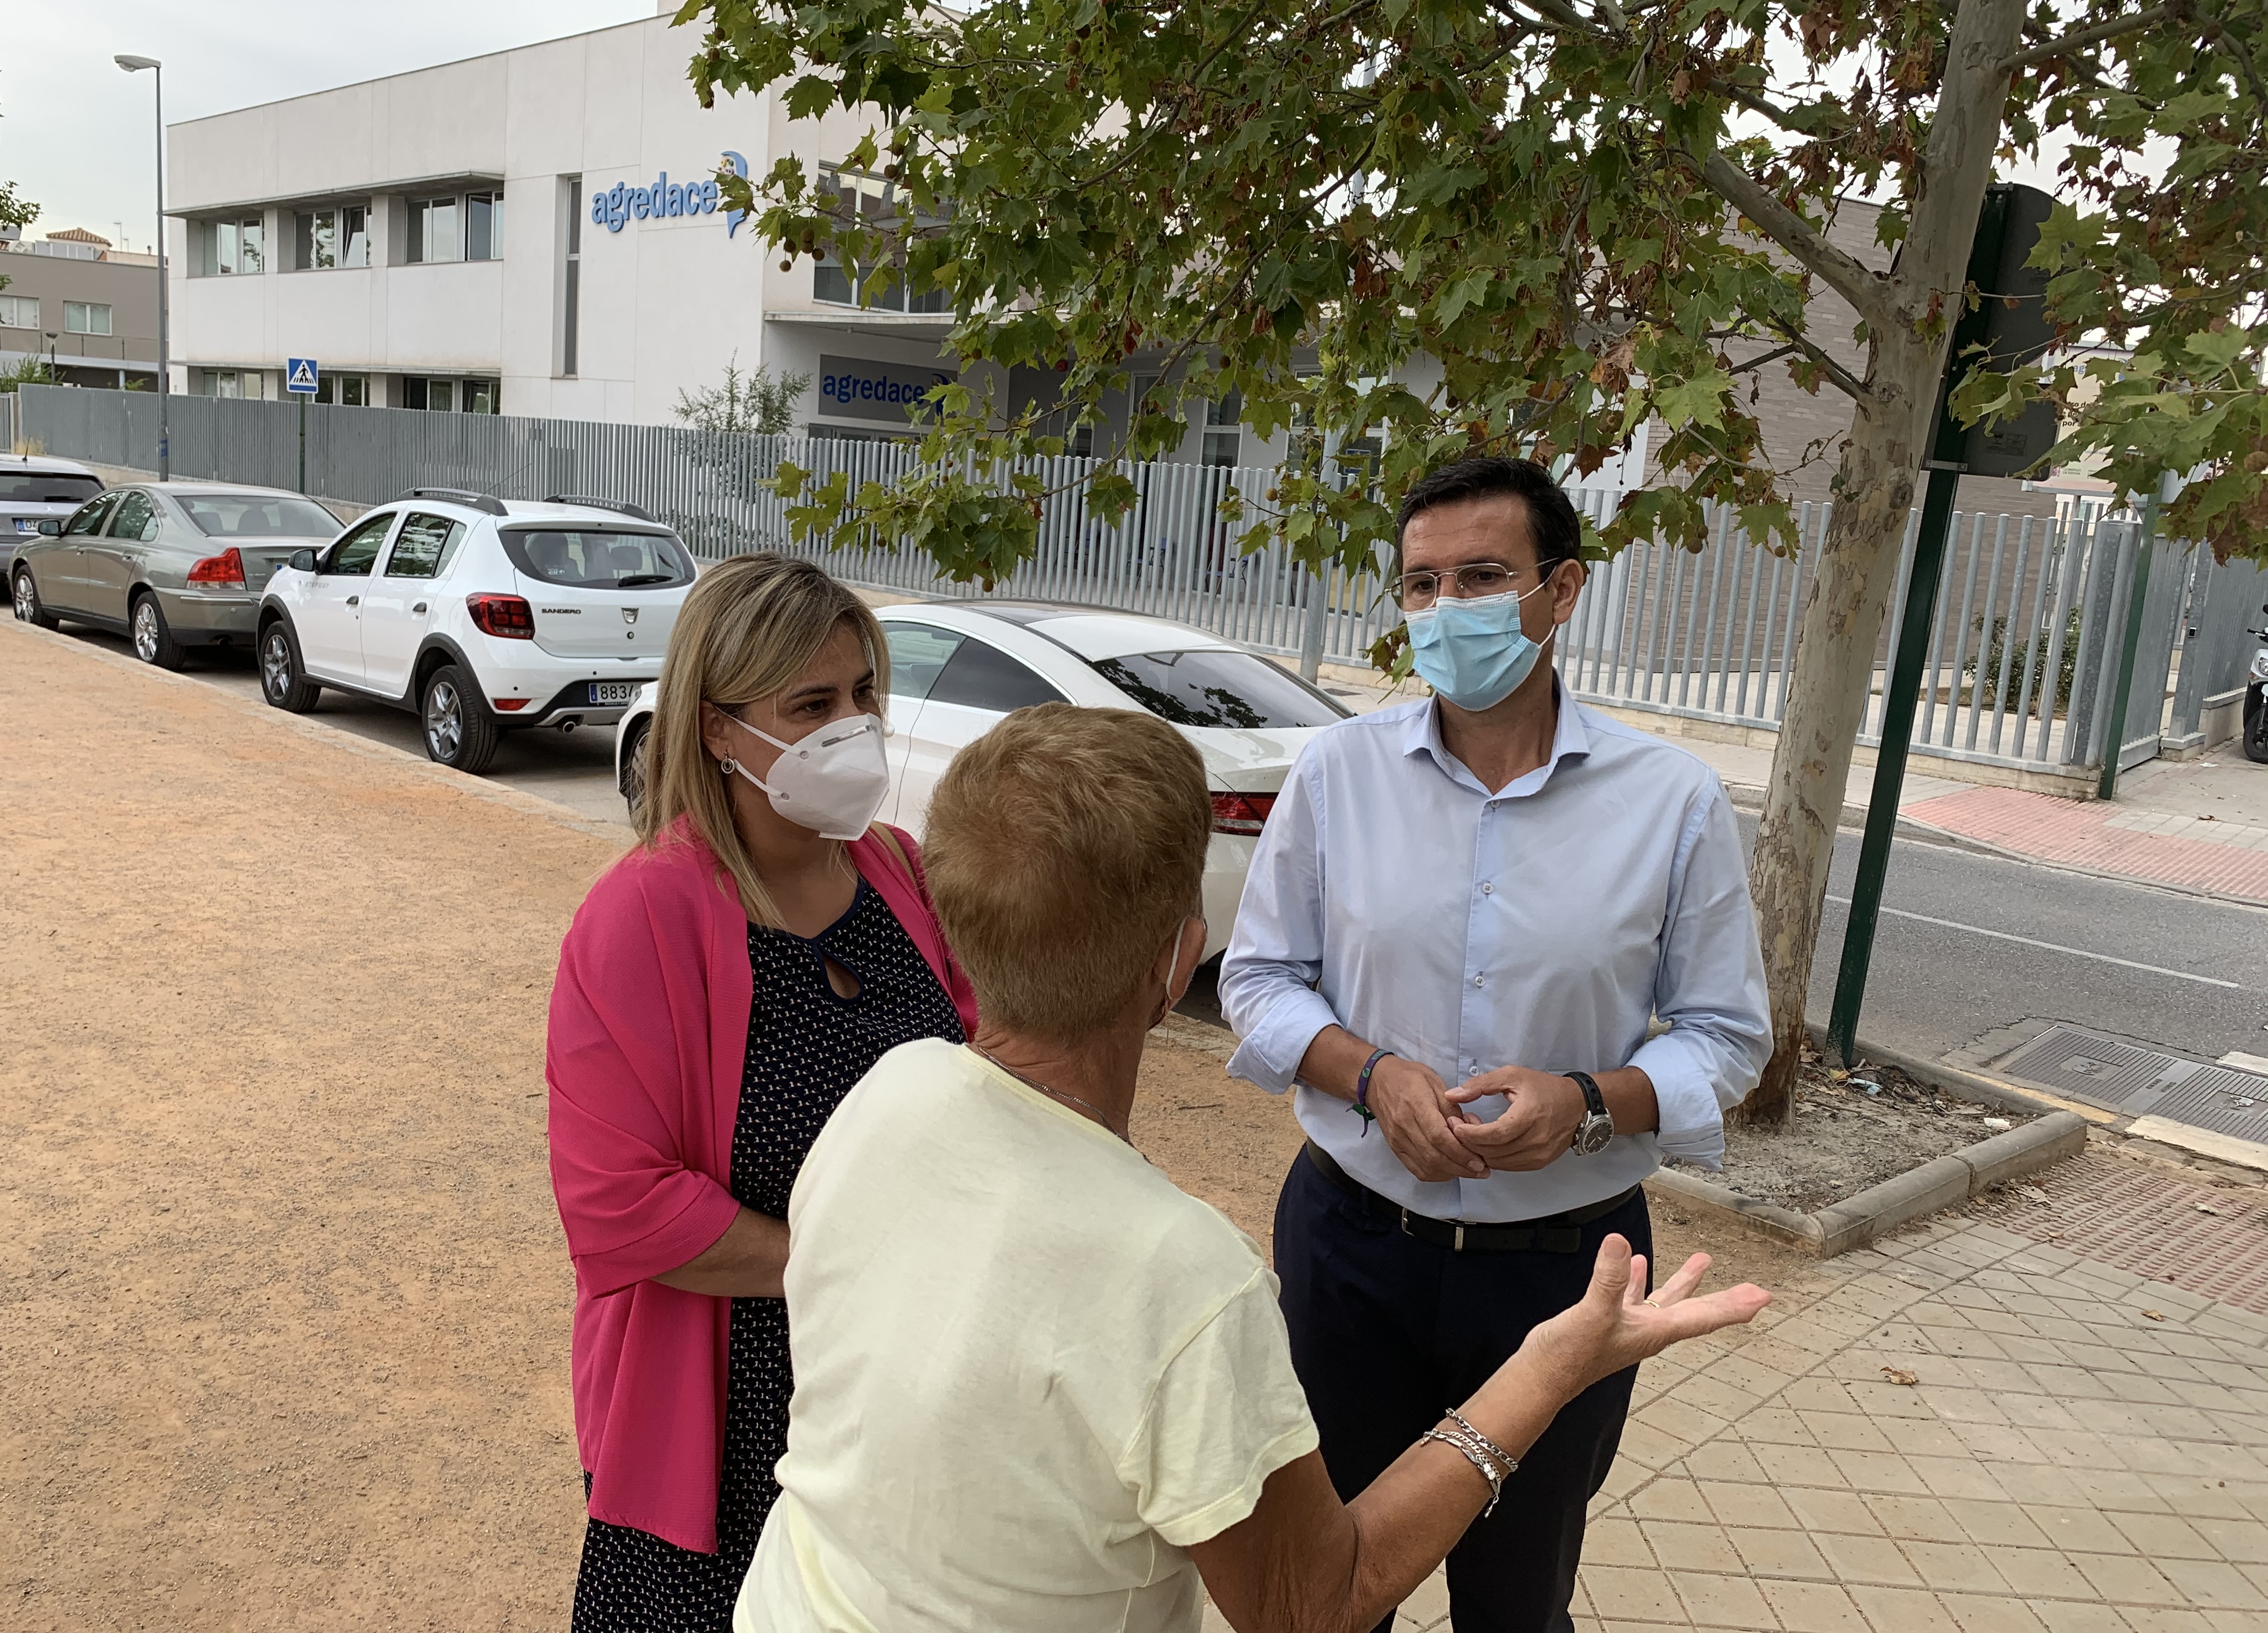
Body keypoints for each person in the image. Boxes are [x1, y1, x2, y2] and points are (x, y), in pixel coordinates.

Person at [733, 703, 1768, 1633]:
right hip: (1381, 1245)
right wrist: (1552, 1367)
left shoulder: (881, 1096)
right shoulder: (1181, 1280)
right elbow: (1311, 1606)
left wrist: (1590, 1100)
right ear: (1176, 963)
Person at [1219, 455, 1776, 1632]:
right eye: (1421, 584)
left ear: (1561, 591)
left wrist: (1588, 1101)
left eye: (1483, 576)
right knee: (1326, 1592)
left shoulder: (1671, 800)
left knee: (1519, 1603)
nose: (1446, 609)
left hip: (1564, 1273)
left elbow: (1728, 1038)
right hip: (1351, 1252)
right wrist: (1371, 1077)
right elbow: (1261, 981)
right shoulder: (1336, 772)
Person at [545, 552, 976, 1633]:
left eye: (864, 695)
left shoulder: (901, 872)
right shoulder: (641, 916)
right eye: (813, 705)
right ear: (716, 728)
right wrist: (853, 1271)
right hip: (726, 1416)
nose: (855, 727)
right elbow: (619, 1205)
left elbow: (982, 1077)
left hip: (895, 1394)